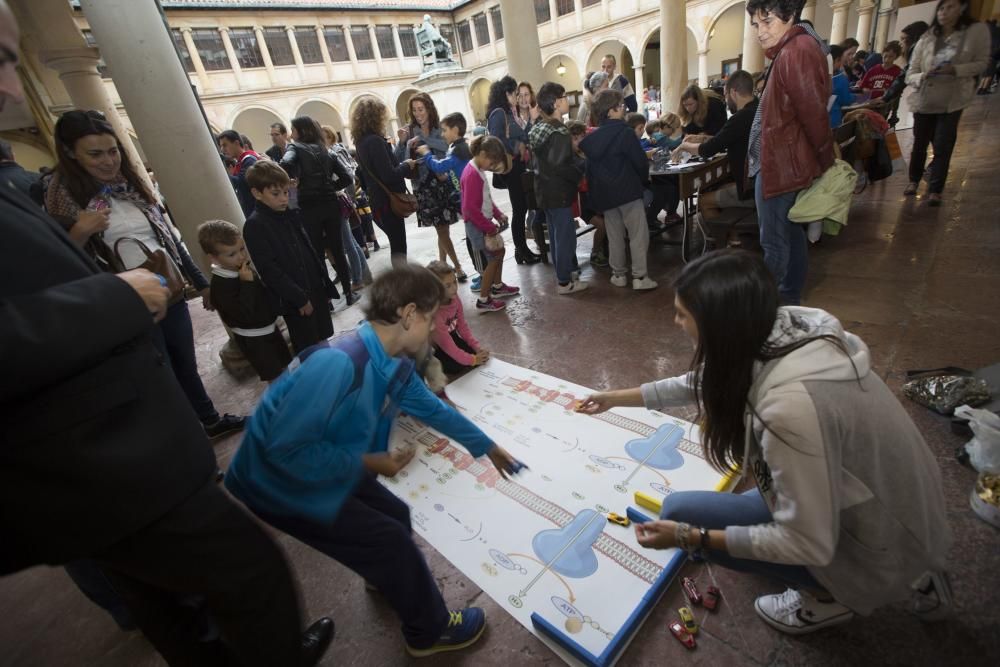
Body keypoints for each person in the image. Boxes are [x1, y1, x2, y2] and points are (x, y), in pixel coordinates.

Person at [0, 5, 333, 664]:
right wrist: (112, 297)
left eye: (12, 60)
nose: (13, 85)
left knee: (172, 605)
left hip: (105, 429)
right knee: (250, 571)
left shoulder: (75, 182)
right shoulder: (57, 197)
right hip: (89, 452)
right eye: (1, 61)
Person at [578, 249, 952, 636]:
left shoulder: (790, 413)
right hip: (896, 507)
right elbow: (705, 383)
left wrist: (691, 537)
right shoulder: (783, 329)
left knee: (683, 516)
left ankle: (832, 597)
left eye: (682, 315)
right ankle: (915, 569)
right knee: (736, 512)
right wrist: (614, 397)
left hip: (869, 534)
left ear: (718, 325)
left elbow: (808, 543)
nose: (676, 322)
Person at [224, 264, 522, 658]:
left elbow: (432, 409)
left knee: (394, 515)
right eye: (431, 318)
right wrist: (373, 462)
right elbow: (286, 450)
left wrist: (486, 446)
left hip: (329, 460)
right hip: (277, 482)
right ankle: (428, 632)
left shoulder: (392, 360)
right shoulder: (339, 362)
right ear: (410, 314)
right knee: (391, 541)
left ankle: (385, 577)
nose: (434, 328)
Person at [45, 110, 245, 438]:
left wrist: (199, 281)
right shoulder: (61, 200)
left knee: (185, 365)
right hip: (125, 303)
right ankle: (185, 442)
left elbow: (166, 238)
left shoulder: (130, 186)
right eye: (95, 154)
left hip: (170, 291)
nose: (108, 161)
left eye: (113, 151)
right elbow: (58, 265)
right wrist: (79, 233)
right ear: (70, 153)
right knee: (158, 376)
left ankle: (208, 421)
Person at [746, 0, 834, 306]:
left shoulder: (796, 52)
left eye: (767, 21)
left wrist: (826, 160)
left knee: (775, 243)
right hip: (785, 159)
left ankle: (770, 308)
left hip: (781, 163)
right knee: (791, 236)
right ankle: (790, 300)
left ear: (790, 16)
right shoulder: (794, 49)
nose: (760, 31)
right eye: (756, 24)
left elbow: (814, 114)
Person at [243, 160, 335, 354]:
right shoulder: (255, 225)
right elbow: (270, 270)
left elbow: (304, 243)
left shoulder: (287, 212)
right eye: (276, 194)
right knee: (309, 347)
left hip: (314, 287)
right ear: (257, 193)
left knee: (323, 336)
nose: (283, 199)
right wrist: (299, 299)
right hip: (296, 298)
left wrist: (322, 284)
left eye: (286, 192)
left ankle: (333, 372)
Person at [904, 0, 990, 205]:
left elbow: (981, 63)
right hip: (926, 97)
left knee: (943, 143)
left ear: (961, 9)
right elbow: (911, 72)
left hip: (952, 99)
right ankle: (913, 180)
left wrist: (956, 70)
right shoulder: (927, 38)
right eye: (941, 8)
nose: (944, 12)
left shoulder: (974, 32)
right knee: (919, 143)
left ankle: (935, 189)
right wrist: (924, 75)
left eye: (950, 7)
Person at [580, 89, 657, 292]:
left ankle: (618, 275)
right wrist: (642, 181)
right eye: (621, 106)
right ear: (612, 110)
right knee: (638, 234)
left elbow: (590, 171)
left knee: (614, 236)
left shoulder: (593, 139)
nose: (624, 109)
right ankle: (640, 276)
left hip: (606, 196)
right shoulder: (625, 133)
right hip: (628, 191)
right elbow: (640, 162)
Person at [197, 219, 292, 382]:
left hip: (270, 329)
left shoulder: (242, 268)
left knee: (287, 369)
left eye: (242, 249)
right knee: (276, 379)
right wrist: (246, 284)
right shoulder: (220, 286)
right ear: (213, 258)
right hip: (254, 340)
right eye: (232, 254)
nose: (241, 256)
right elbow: (243, 313)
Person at [280, 115, 357, 305]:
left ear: (301, 131)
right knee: (338, 250)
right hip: (330, 203)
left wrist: (295, 183)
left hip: (307, 206)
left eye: (293, 129)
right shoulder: (326, 151)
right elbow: (347, 178)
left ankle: (327, 298)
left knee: (316, 253)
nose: (291, 134)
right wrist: (331, 187)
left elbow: (286, 163)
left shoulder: (294, 148)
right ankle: (348, 294)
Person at [672, 70, 758, 219]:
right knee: (722, 187)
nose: (725, 100)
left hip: (751, 190)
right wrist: (701, 138)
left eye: (725, 95)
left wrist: (684, 146)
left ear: (733, 92)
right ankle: (733, 236)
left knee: (703, 201)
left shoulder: (740, 118)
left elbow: (708, 150)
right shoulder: (759, 107)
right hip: (759, 183)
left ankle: (724, 240)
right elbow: (723, 139)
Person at [530, 82, 589, 296]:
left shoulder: (539, 128)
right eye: (564, 97)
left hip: (545, 192)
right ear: (555, 103)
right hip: (560, 191)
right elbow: (561, 165)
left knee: (556, 235)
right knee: (565, 237)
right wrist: (579, 172)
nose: (567, 101)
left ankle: (563, 275)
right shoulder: (559, 131)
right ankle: (565, 282)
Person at [395, 93, 464, 267]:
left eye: (421, 109)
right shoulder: (409, 130)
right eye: (414, 110)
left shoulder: (438, 127)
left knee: (444, 229)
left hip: (442, 181)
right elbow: (400, 160)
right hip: (424, 185)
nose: (418, 114)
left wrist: (424, 141)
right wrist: (402, 143)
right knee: (441, 229)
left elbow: (444, 146)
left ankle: (442, 263)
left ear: (429, 109)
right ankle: (457, 266)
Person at [352, 97, 416, 267]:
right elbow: (389, 174)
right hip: (387, 202)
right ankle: (403, 287)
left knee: (397, 246)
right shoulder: (374, 141)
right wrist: (406, 165)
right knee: (399, 248)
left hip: (378, 202)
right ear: (375, 117)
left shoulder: (361, 142)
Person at [461, 135, 518, 312]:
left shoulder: (478, 170)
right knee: (491, 260)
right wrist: (488, 227)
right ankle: (484, 300)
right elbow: (470, 209)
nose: (492, 167)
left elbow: (485, 199)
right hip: (477, 226)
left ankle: (497, 286)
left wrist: (498, 214)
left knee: (499, 253)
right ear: (483, 154)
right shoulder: (472, 174)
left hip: (483, 223)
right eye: (492, 163)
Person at [487, 75, 540, 264]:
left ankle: (522, 250)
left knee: (522, 208)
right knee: (519, 209)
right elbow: (496, 141)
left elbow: (524, 138)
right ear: (506, 93)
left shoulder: (510, 113)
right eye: (515, 94)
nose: (517, 98)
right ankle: (521, 250)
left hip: (517, 166)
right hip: (511, 168)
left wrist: (526, 129)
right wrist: (514, 146)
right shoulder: (500, 113)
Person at [415, 111, 471, 281]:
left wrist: (426, 153)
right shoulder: (460, 148)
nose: (442, 133)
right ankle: (447, 267)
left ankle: (486, 279)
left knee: (474, 242)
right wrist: (447, 178)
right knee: (447, 233)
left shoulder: (457, 151)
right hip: (464, 197)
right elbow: (453, 173)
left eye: (445, 130)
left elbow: (440, 167)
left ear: (455, 130)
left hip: (467, 200)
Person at [320, 124, 372, 291]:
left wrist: (346, 195)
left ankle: (358, 279)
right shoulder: (330, 152)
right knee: (351, 242)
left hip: (340, 200)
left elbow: (349, 174)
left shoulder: (333, 152)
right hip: (341, 198)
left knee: (349, 244)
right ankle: (364, 275)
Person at [426, 260, 489, 375]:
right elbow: (447, 345)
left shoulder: (455, 299)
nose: (454, 288)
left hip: (448, 334)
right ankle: (430, 361)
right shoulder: (436, 313)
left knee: (470, 353)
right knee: (457, 366)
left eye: (454, 281)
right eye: (447, 286)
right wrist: (473, 360)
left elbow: (462, 326)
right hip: (433, 345)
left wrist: (477, 348)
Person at [218, 129, 259, 218]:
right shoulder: (240, 162)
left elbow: (241, 182)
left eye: (225, 145)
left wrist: (218, 170)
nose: (222, 150)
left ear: (236, 143)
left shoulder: (249, 159)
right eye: (221, 146)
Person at [827, 44, 856, 128]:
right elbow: (846, 100)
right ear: (837, 60)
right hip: (833, 120)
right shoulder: (840, 78)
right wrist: (855, 97)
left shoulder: (817, 75)